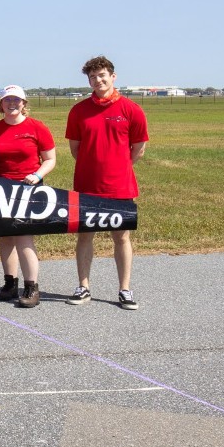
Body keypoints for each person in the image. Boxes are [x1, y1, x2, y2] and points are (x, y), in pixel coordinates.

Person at [65, 56, 149, 310]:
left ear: (113, 76)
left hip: (120, 187)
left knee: (121, 238)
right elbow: (75, 149)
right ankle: (83, 286)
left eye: (102, 75)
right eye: (93, 77)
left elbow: (139, 149)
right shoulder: (79, 111)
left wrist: (117, 168)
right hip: (87, 186)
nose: (98, 81)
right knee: (84, 237)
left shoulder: (131, 109)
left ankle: (124, 289)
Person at [0, 86, 57, 308]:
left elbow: (50, 159)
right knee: (5, 237)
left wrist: (37, 175)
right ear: (1, 104)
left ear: (24, 103)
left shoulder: (36, 127)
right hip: (0, 190)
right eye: (7, 100)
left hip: (28, 188)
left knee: (24, 237)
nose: (12, 103)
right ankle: (9, 282)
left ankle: (31, 287)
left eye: (17, 100)